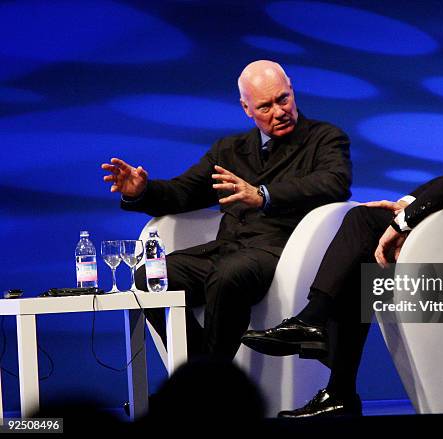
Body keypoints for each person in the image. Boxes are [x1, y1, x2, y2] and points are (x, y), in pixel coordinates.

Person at [241, 41, 443, 417]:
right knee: (363, 271)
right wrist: (408, 205)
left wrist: (404, 220)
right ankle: (336, 384)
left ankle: (315, 326)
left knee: (362, 222)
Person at [101, 60, 352, 360]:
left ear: (291, 89)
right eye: (265, 107)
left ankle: (210, 381)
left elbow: (334, 183)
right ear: (247, 109)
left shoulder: (324, 138)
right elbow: (183, 192)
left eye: (283, 99)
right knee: (150, 277)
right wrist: (142, 191)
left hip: (282, 250)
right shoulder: (230, 150)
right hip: (226, 249)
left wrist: (263, 196)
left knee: (228, 276)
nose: (279, 112)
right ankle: (203, 372)